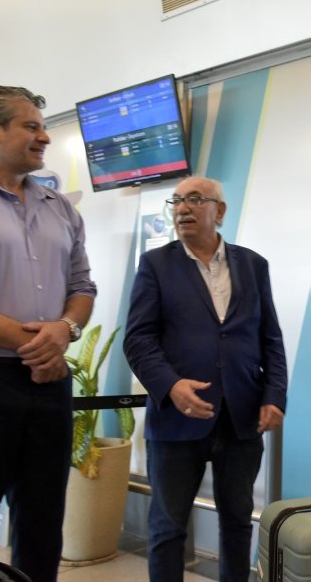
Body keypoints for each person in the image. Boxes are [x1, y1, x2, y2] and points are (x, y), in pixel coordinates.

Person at [0, 86, 96, 582]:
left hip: (49, 383)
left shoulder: (60, 208)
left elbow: (82, 287)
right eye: (32, 126)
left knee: (44, 524)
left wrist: (65, 330)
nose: (45, 137)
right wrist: (39, 342)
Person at [124, 175, 288, 582]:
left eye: (195, 199)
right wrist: (170, 385)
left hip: (241, 417)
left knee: (237, 523)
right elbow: (138, 339)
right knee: (167, 528)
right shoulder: (156, 265)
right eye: (176, 201)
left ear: (220, 211)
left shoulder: (253, 265)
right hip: (176, 420)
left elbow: (270, 337)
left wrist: (275, 395)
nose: (182, 208)